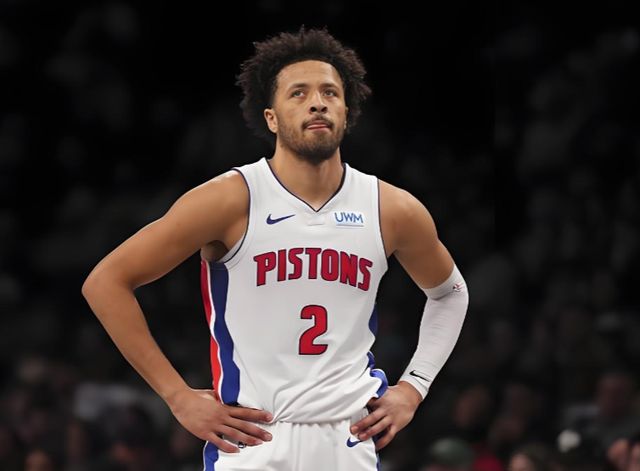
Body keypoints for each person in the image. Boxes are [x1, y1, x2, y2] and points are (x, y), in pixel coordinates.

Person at [81, 27, 469, 471]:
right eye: (298, 93)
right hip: (253, 438)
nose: (317, 103)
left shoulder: (391, 208)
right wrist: (177, 396)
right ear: (271, 118)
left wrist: (414, 387)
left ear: (347, 111)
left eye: (330, 93)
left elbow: (450, 292)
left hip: (348, 438)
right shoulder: (230, 199)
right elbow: (106, 283)